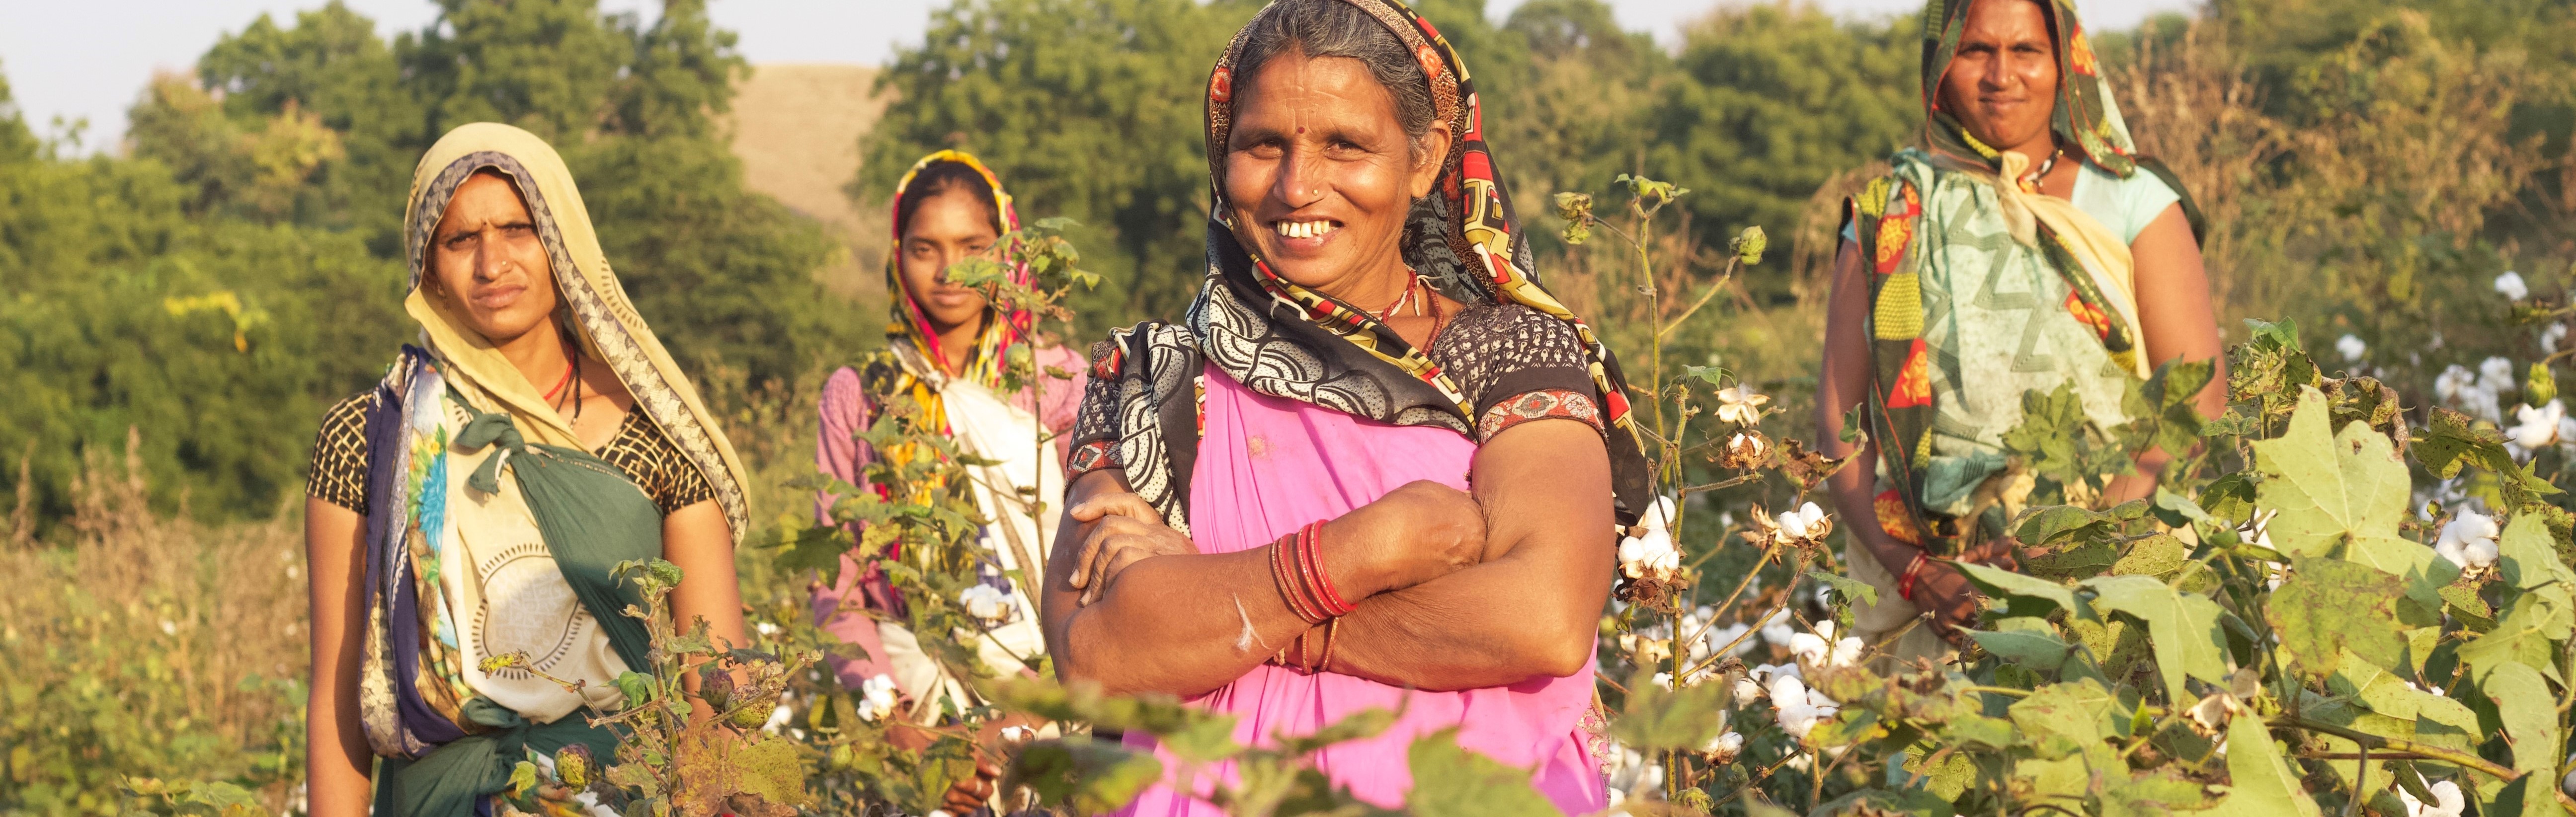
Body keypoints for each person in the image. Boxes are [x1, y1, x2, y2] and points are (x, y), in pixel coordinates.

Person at [1040, 0, 1658, 813]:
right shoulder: (1148, 375)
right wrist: (1363, 550)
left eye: (1345, 145)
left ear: (1423, 156)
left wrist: (1221, 606)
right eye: (1264, 145)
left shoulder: (1508, 352)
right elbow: (1098, 654)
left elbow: (1539, 619)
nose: (1298, 185)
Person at [301, 123, 755, 817]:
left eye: (518, 230)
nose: (492, 265)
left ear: (562, 242)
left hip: (623, 797)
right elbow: (341, 693)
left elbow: (716, 687)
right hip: (440, 799)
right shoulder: (372, 438)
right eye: (460, 240)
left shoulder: (658, 436)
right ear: (427, 268)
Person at [1815, 0, 2225, 660]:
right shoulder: (1887, 216)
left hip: (2119, 571)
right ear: (1939, 64)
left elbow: (2195, 402)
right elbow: (1839, 425)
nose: (2001, 75)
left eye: (2027, 51)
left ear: (2066, 65)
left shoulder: (2133, 200)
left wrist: (2070, 549)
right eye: (1976, 51)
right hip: (1946, 598)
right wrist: (1920, 572)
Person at [811, 150, 1086, 714]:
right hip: (914, 701)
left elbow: (1095, 551)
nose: (948, 272)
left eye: (973, 249)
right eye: (924, 249)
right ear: (897, 255)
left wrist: (1032, 711)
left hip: (1051, 687)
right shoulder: (860, 393)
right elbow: (836, 582)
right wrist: (893, 714)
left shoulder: (1057, 382)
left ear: (1007, 252)